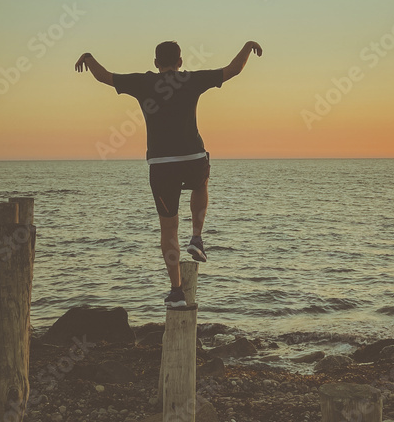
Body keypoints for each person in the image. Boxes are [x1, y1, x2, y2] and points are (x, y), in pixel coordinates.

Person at [75, 40, 262, 307]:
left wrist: (88, 57)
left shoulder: (142, 82)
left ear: (155, 63)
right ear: (180, 61)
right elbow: (233, 70)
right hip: (192, 158)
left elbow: (104, 77)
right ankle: (197, 236)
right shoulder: (191, 79)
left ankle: (176, 292)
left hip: (161, 164)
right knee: (202, 181)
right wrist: (247, 47)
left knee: (168, 228)